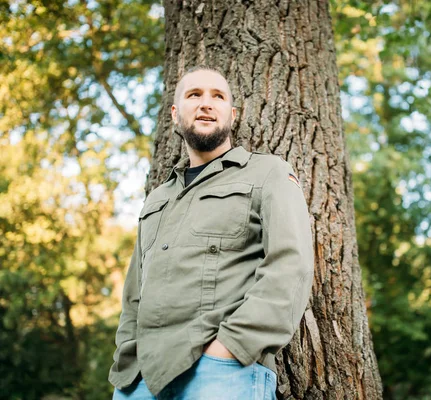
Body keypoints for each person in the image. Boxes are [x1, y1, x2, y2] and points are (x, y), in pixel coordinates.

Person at [108, 66, 314, 399]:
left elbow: (291, 265)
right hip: (138, 380)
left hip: (222, 374)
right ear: (176, 114)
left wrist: (231, 347)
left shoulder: (268, 173)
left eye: (217, 97)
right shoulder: (157, 199)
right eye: (194, 95)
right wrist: (128, 351)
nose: (206, 104)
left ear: (231, 115)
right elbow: (134, 293)